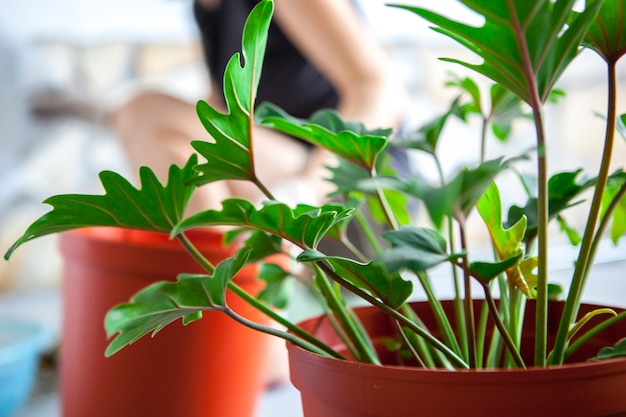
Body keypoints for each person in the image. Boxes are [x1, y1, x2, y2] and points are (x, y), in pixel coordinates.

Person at [112, 0, 409, 215]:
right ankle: (226, 287)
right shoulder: (207, 10)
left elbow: (379, 87)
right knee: (159, 133)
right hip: (282, 182)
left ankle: (225, 288)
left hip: (362, 195)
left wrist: (304, 193)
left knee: (143, 114)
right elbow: (224, 116)